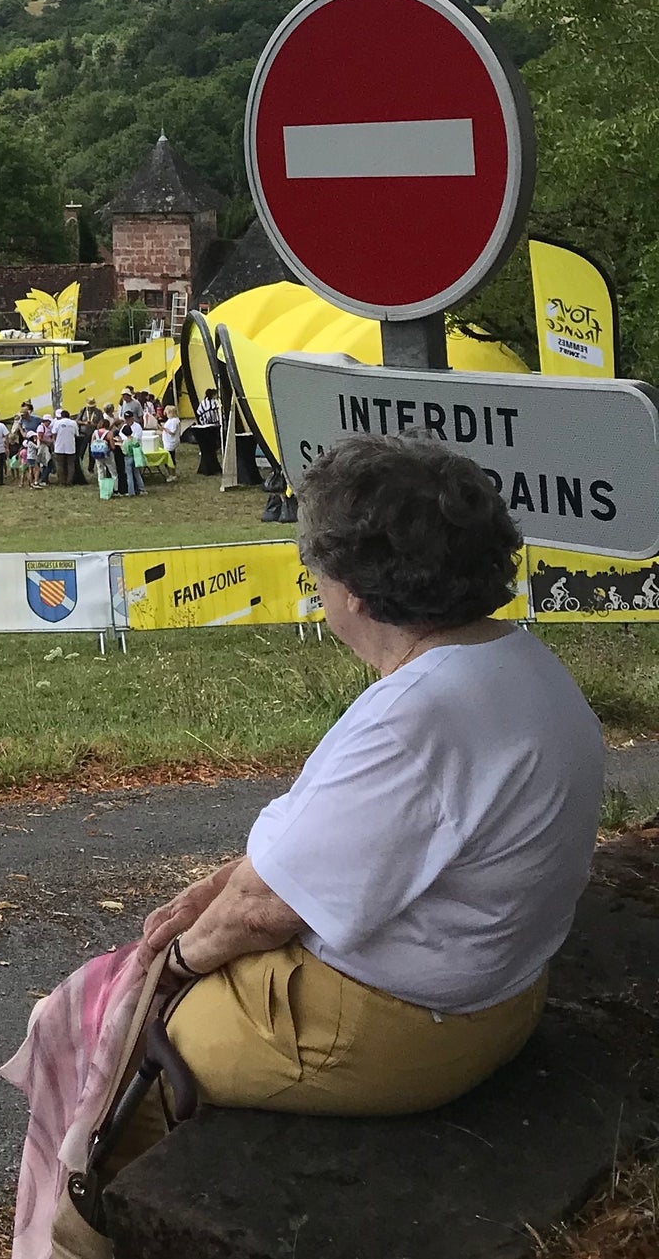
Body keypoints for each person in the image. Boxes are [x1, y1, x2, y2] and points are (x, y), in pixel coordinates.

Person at [44, 436, 606, 1177]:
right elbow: (328, 857)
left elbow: (264, 911)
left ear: (357, 593)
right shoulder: (519, 662)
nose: (316, 588)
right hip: (498, 995)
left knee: (95, 1042)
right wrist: (216, 889)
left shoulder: (418, 714)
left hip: (398, 1028)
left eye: (319, 573)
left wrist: (172, 965)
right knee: (109, 1003)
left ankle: (87, 1226)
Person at [50, 406, 79, 486]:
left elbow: (54, 434)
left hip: (59, 447)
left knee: (60, 465)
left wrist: (55, 442)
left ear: (61, 416)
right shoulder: (73, 423)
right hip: (71, 446)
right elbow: (76, 434)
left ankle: (62, 481)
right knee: (70, 464)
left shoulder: (57, 423)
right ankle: (69, 481)